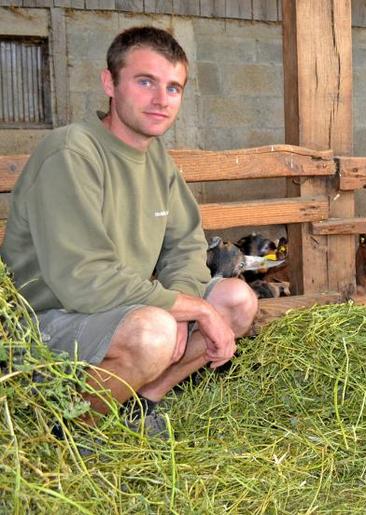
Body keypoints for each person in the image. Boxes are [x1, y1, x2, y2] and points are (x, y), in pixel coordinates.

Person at [0, 26, 257, 436]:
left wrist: (184, 304)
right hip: (44, 323)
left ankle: (142, 402)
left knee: (237, 299)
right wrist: (191, 310)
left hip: (115, 309)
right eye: (145, 82)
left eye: (173, 88)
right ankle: (69, 429)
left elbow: (185, 246)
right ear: (109, 83)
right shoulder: (72, 152)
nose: (161, 100)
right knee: (154, 330)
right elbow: (85, 279)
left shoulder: (158, 161)